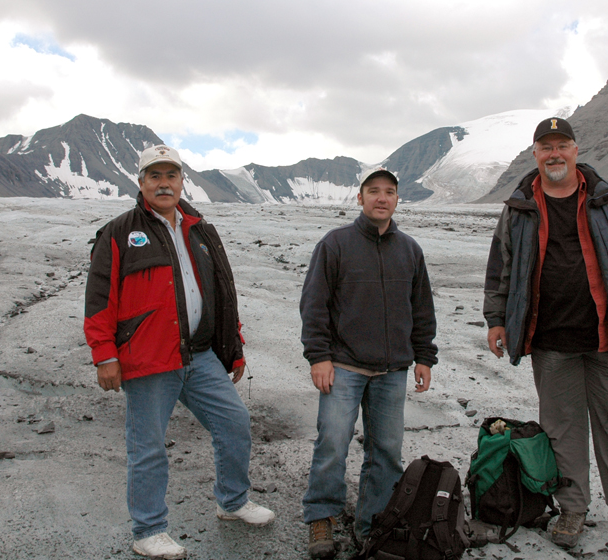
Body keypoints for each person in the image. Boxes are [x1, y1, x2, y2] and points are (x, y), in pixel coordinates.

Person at [84, 145, 274, 559]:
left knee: (234, 422)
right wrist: (105, 355)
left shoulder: (200, 228)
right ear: (141, 183)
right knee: (148, 445)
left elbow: (222, 290)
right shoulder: (119, 233)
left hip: (200, 353)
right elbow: (100, 300)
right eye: (154, 176)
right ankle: (148, 529)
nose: (164, 183)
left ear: (182, 181)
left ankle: (233, 501)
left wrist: (233, 348)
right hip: (150, 358)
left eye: (171, 175)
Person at [483, 118, 608, 549]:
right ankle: (573, 510)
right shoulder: (519, 207)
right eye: (546, 148)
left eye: (562, 145)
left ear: (576, 150)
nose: (555, 155)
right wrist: (495, 319)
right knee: (562, 429)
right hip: (550, 339)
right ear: (535, 155)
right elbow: (500, 270)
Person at [300, 168, 438, 558]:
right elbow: (314, 305)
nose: (382, 198)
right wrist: (319, 357)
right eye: (373, 191)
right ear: (359, 199)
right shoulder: (336, 244)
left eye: (389, 192)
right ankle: (321, 518)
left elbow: (421, 309)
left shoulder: (410, 250)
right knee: (332, 443)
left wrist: (424, 356)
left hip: (393, 371)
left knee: (386, 452)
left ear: (397, 200)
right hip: (343, 367)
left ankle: (373, 523)